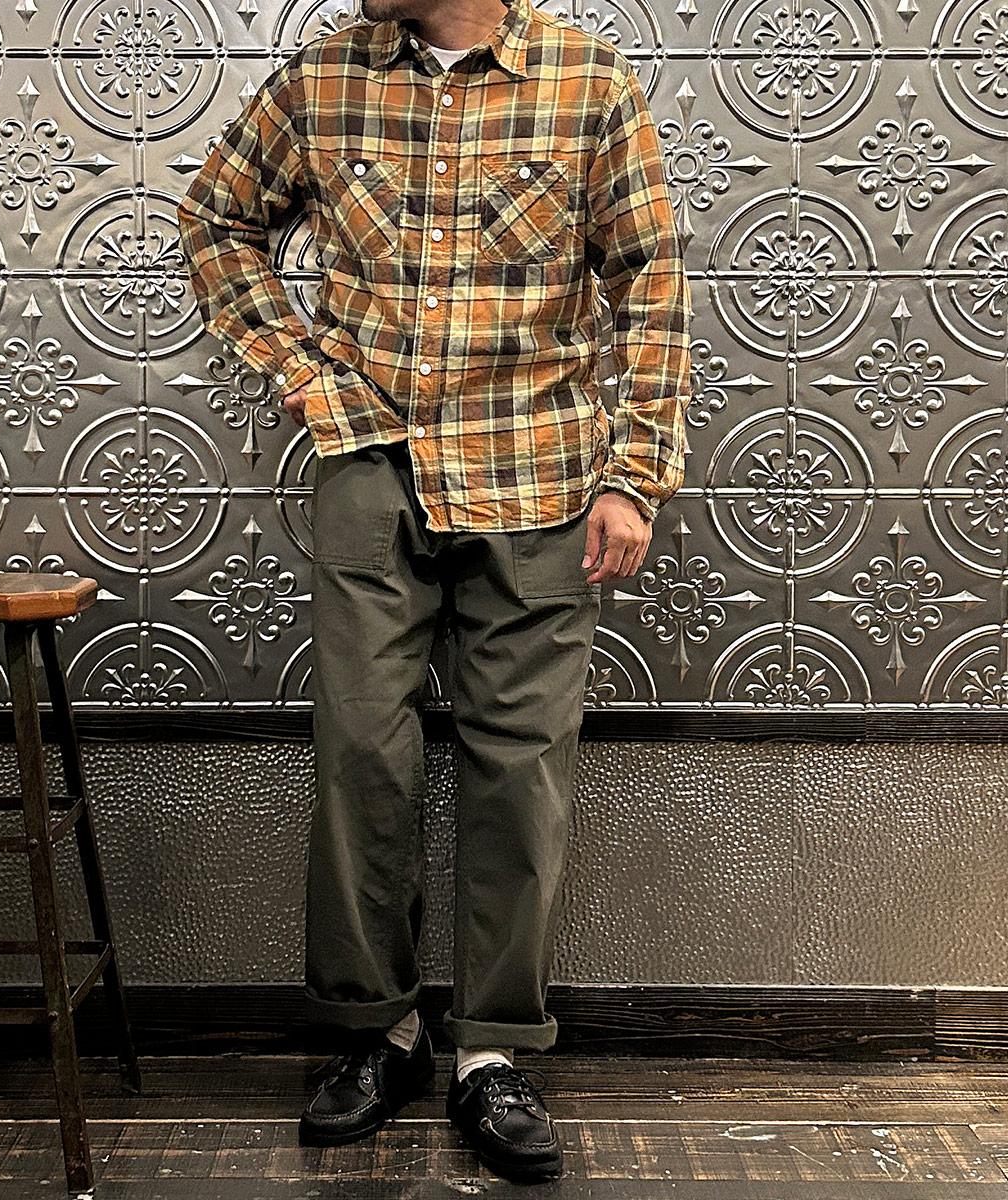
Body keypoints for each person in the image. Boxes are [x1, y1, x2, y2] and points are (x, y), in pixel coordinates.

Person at [177, 0, 692, 1181]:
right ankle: (378, 1032)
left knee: (522, 767)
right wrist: (305, 374)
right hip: (373, 466)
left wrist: (636, 475)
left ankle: (492, 1052)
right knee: (362, 748)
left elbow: (651, 284)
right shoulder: (323, 78)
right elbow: (216, 220)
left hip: (542, 475)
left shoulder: (589, 81)